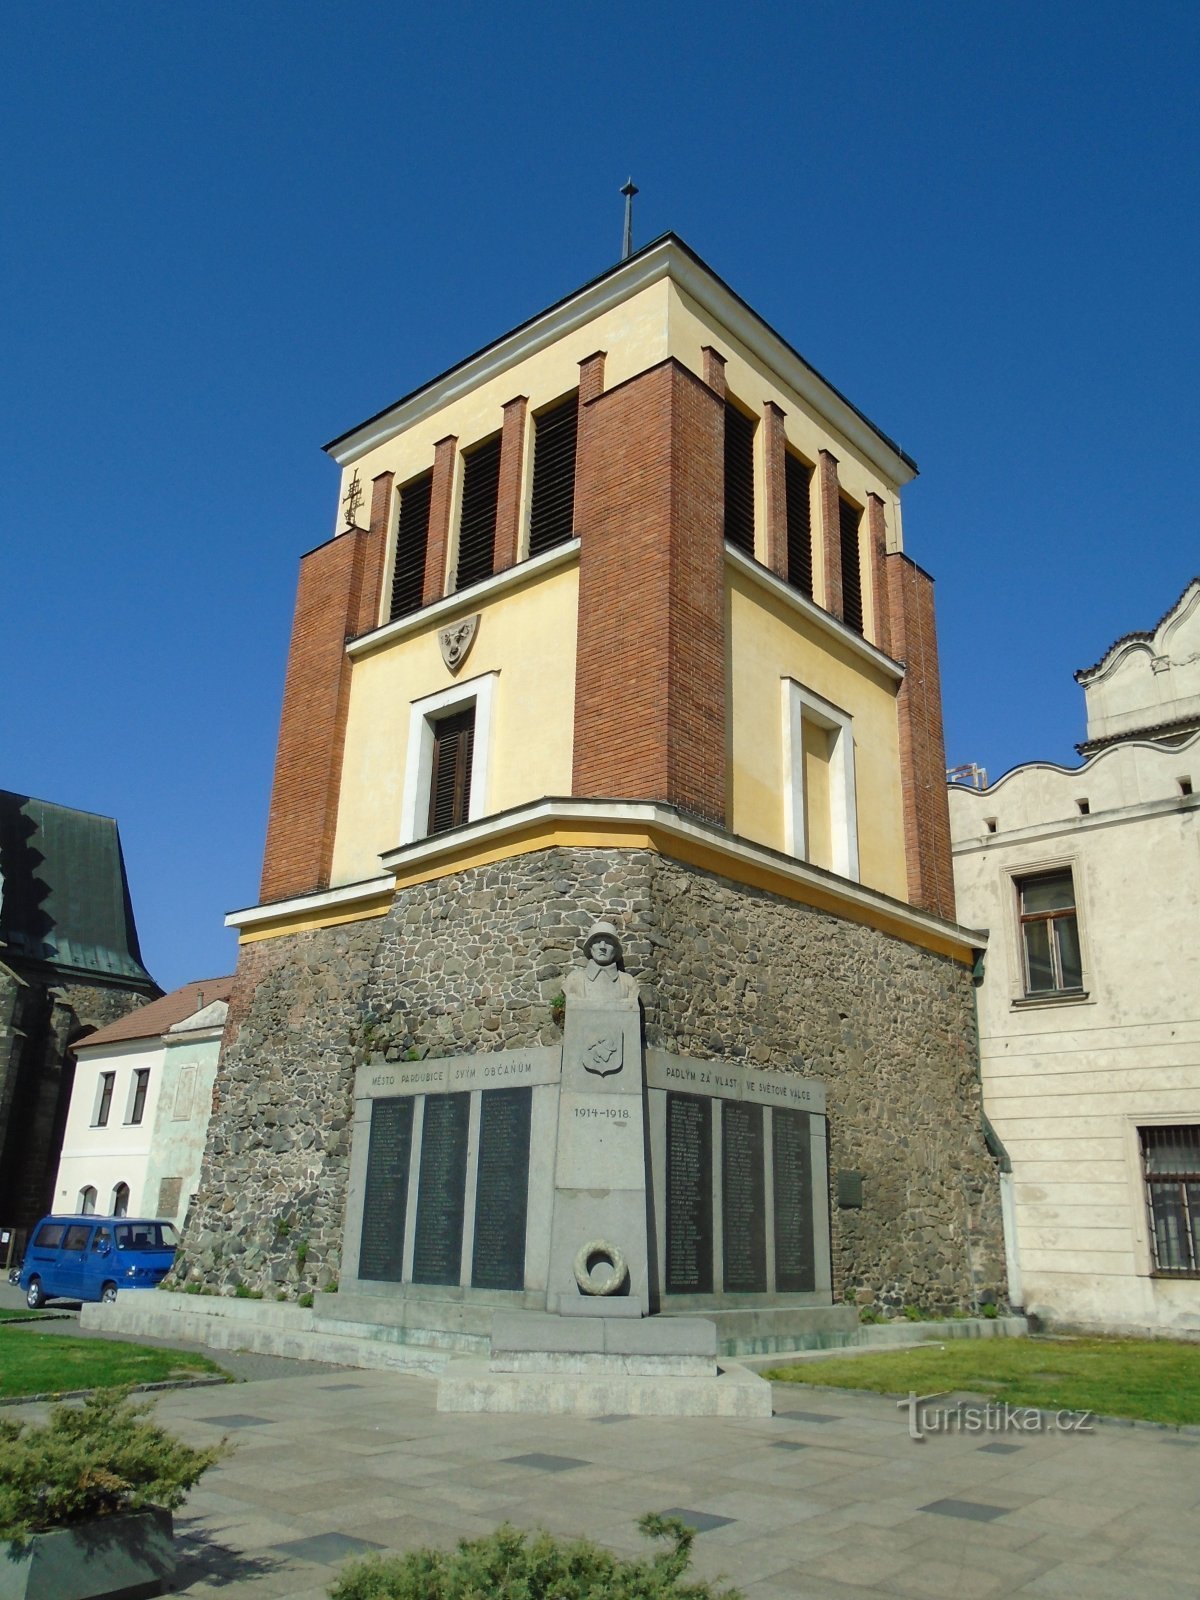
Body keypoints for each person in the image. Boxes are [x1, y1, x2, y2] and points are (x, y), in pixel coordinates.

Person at [563, 919, 639, 1004]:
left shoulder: (628, 982)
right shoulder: (574, 980)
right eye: (597, 942)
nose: (602, 947)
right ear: (590, 948)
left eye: (608, 942)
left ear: (615, 949)